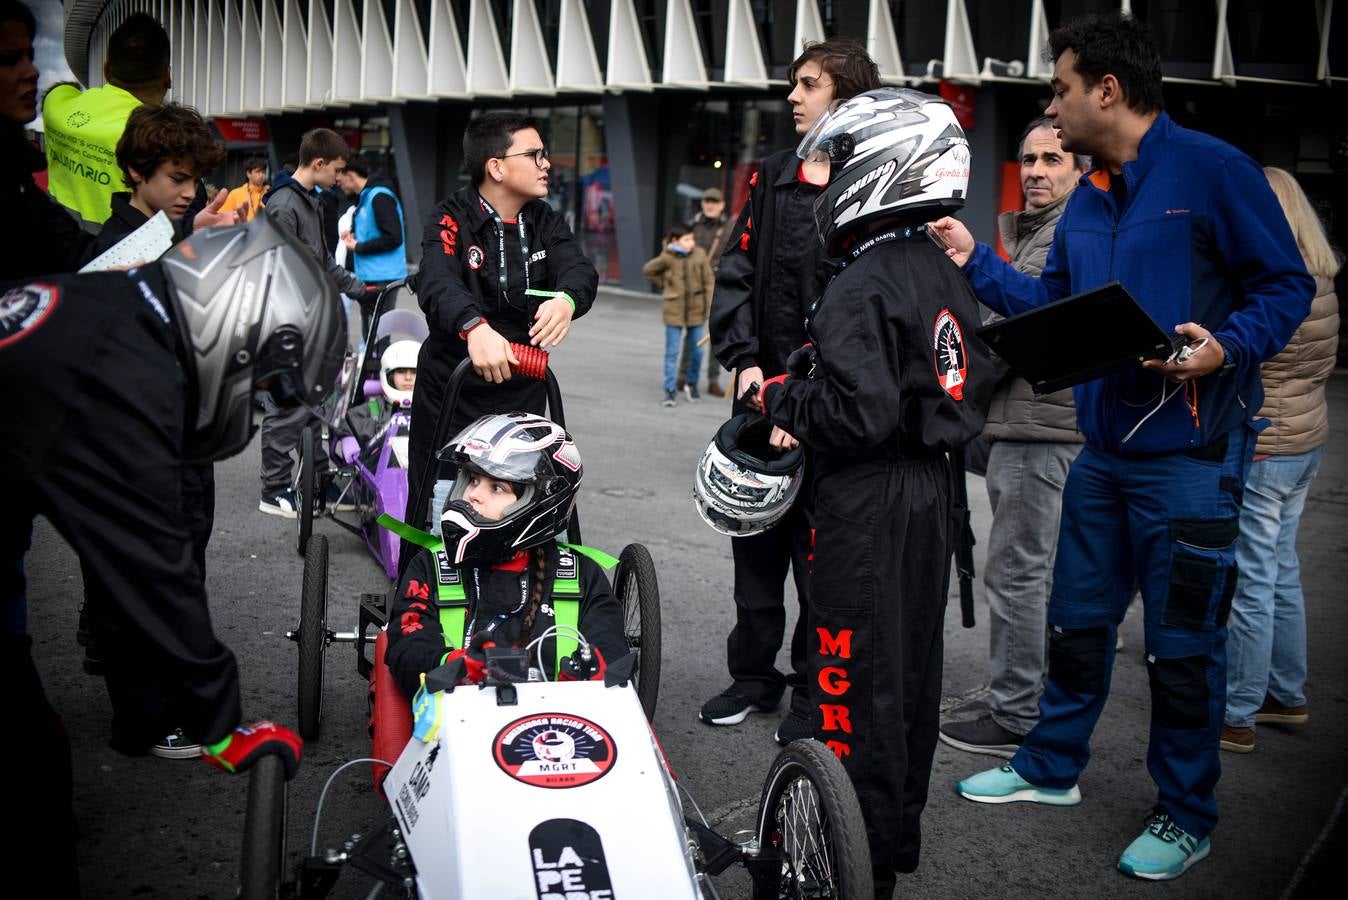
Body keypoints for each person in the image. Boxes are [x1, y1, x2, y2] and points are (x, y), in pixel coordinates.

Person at [930, 11, 1315, 881]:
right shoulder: (1093, 194)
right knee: (1077, 622)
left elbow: (1287, 284)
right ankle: (1051, 768)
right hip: (1100, 455)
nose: (1051, 106)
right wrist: (970, 260)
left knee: (1182, 647)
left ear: (1108, 89)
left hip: (1192, 459)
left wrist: (1226, 345)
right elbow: (1051, 305)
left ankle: (1185, 813)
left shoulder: (1215, 170)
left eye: (1061, 88)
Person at [3, 214, 341, 888]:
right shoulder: (121, 375)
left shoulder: (110, 309)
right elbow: (151, 563)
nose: (256, 410)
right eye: (268, 385)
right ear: (240, 327)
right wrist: (219, 721)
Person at [760, 88, 991, 894]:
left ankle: (837, 859)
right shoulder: (936, 264)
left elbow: (856, 413)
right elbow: (966, 378)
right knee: (908, 680)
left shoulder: (865, 280)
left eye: (842, 166)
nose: (826, 185)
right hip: (932, 497)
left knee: (849, 679)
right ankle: (884, 848)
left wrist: (778, 396)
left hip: (870, 498)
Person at [704, 36, 880, 743]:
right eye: (793, 82)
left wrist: (800, 399)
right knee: (755, 556)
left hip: (824, 416)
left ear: (846, 96)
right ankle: (754, 679)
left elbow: (857, 309)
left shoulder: (871, 183)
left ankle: (812, 691)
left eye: (808, 84)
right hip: (758, 404)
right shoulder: (772, 176)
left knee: (819, 570)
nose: (793, 96)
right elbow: (737, 274)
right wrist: (744, 364)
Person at [938, 118, 1087, 758]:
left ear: (1080, 169)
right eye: (1028, 158)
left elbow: (1025, 325)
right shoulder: (1041, 231)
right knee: (1036, 571)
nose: (1036, 171)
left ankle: (1016, 712)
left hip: (1039, 427)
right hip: (1031, 423)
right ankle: (1023, 694)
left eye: (1053, 158)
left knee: (1018, 572)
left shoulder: (1064, 232)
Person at [79, 103, 230, 730]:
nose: (189, 191)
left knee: (179, 568)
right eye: (176, 177)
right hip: (130, 447)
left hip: (182, 439)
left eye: (195, 178)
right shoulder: (109, 247)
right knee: (140, 580)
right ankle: (144, 714)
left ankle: (154, 693)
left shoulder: (170, 235)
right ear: (137, 172)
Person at [408, 111, 598, 528]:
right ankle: (422, 580)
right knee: (438, 499)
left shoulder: (545, 220)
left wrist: (566, 300)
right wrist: (474, 327)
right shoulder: (450, 216)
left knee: (520, 496)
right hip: (451, 385)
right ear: (496, 166)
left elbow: (579, 269)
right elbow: (436, 279)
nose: (546, 164)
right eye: (535, 154)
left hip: (523, 387)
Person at [1221, 168, 1340, 753]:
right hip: (1306, 439)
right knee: (1281, 567)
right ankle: (1285, 695)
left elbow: (1253, 358)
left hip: (1267, 442)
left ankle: (1237, 713)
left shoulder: (1276, 284)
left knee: (1253, 577)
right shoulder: (1321, 278)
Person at [386, 413, 627, 699]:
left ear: (540, 503)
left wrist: (588, 674)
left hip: (558, 727)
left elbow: (611, 649)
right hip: (453, 725)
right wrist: (458, 664)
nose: (473, 495)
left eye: (497, 487)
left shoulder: (579, 576)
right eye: (472, 480)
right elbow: (406, 646)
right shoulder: (431, 566)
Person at [258, 126, 367, 517]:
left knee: (315, 407)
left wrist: (357, 287)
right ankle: (274, 490)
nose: (340, 178)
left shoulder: (310, 200)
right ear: (318, 163)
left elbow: (319, 262)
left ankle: (319, 480)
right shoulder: (285, 205)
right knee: (289, 405)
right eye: (337, 170)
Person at [42, 13, 169, 231]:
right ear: (167, 76)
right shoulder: (162, 142)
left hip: (54, 241)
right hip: (117, 256)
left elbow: (61, 89)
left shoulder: (56, 104)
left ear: (107, 70)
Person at [1, 0, 95, 281]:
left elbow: (81, 253)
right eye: (9, 58)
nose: (32, 71)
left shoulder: (16, 179)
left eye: (30, 56)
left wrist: (185, 229)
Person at [339, 152, 409, 336]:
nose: (338, 184)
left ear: (351, 175)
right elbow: (375, 233)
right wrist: (354, 238)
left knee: (378, 337)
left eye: (340, 179)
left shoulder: (379, 197)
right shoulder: (368, 197)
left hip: (382, 278)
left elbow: (394, 238)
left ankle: (379, 365)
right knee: (371, 335)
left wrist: (358, 247)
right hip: (372, 275)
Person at [644, 222, 714, 407]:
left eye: (692, 238)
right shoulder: (667, 256)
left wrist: (710, 308)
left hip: (696, 310)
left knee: (698, 350)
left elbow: (709, 282)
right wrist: (665, 284)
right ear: (675, 240)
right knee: (672, 352)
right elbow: (649, 270)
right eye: (687, 239)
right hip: (674, 310)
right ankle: (670, 390)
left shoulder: (699, 255)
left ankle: (691, 384)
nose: (692, 242)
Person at [677, 186, 731, 398]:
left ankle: (713, 380)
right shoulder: (692, 225)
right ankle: (682, 376)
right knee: (692, 332)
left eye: (714, 201)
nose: (710, 204)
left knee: (715, 334)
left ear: (721, 206)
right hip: (695, 287)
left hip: (719, 287)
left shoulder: (729, 227)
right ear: (703, 203)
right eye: (707, 201)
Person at [340, 338, 419, 467]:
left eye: (414, 372)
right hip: (381, 472)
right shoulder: (375, 406)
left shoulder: (429, 408)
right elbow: (345, 421)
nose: (408, 377)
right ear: (389, 375)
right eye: (401, 371)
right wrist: (381, 429)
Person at [220, 155, 268, 222]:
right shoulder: (235, 194)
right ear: (248, 173)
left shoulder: (270, 191)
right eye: (257, 172)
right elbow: (223, 216)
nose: (261, 175)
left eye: (263, 172)